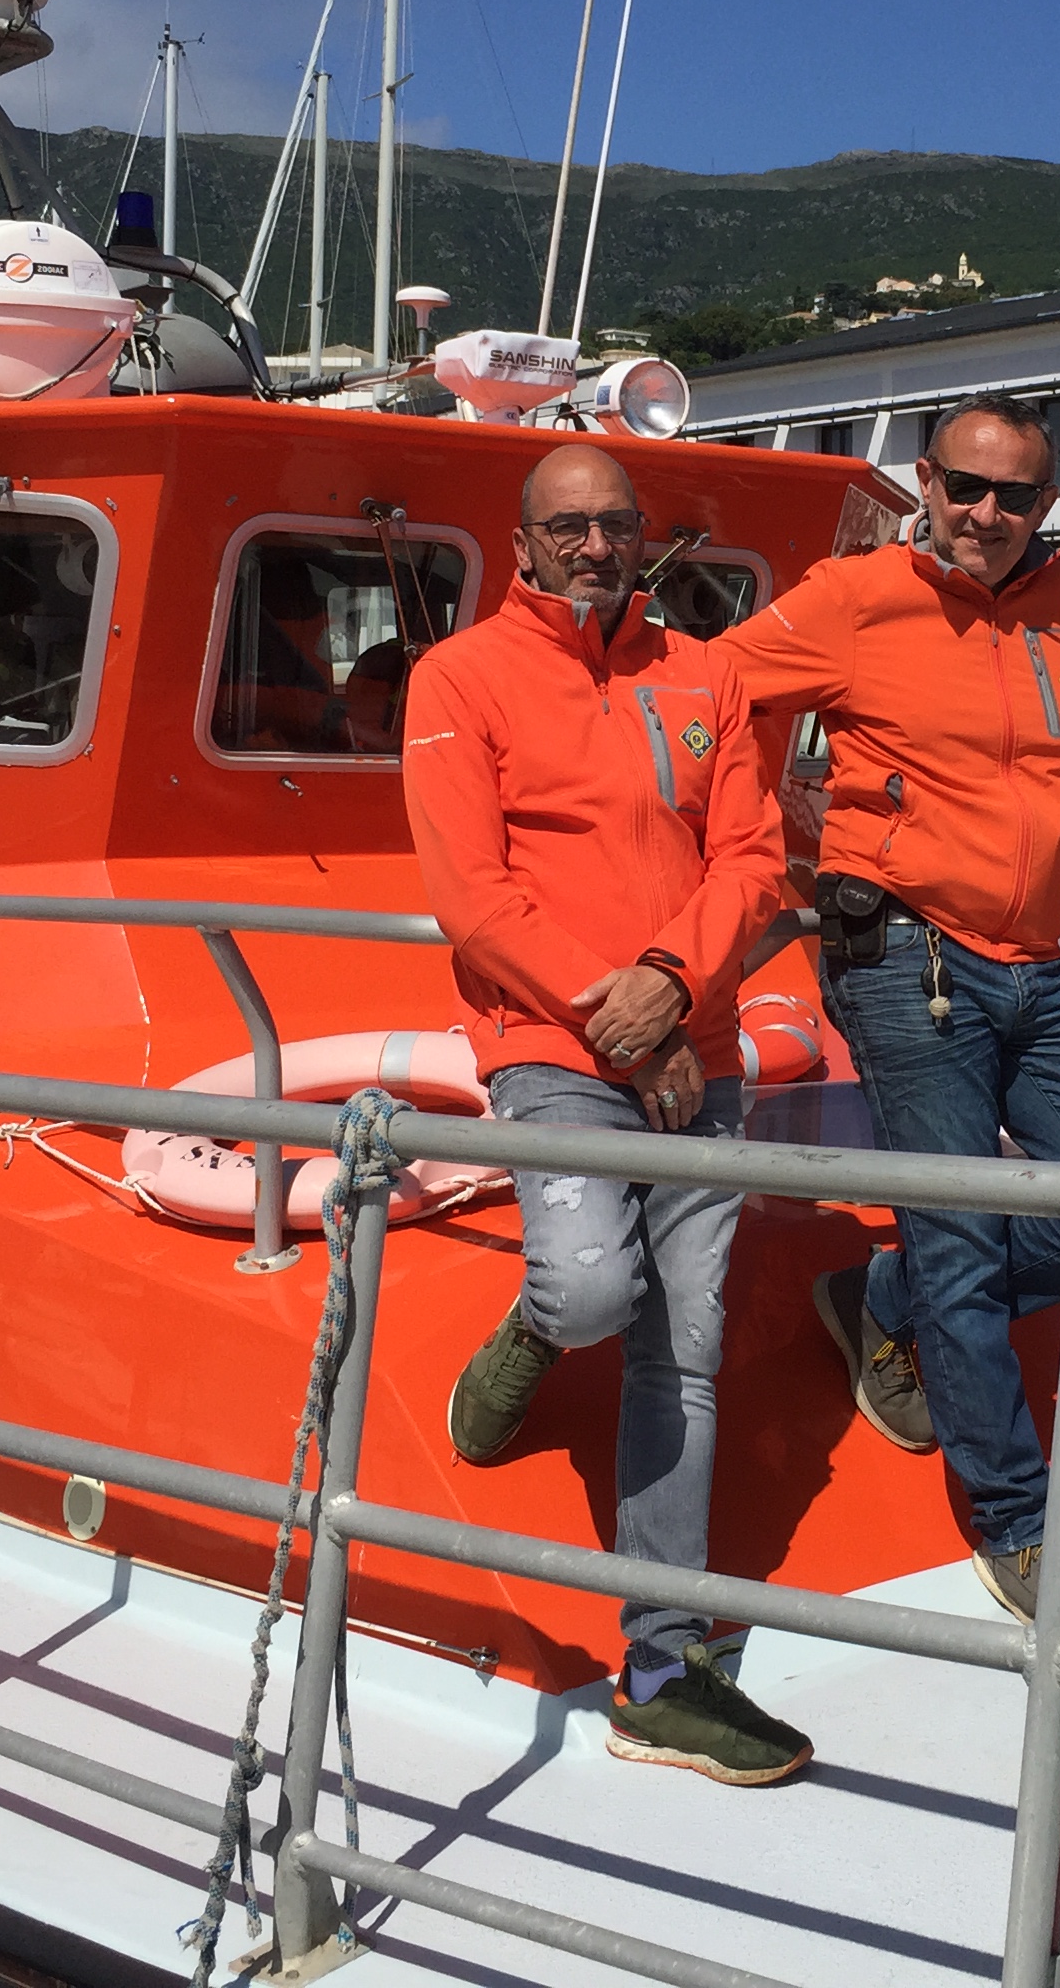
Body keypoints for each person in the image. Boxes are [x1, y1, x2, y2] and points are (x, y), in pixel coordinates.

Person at [725, 395, 1060, 1640]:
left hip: (1035, 962)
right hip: (904, 958)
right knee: (968, 1235)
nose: (985, 515)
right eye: (965, 488)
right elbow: (720, 700)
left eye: (1015, 496)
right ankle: (1015, 1523)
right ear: (925, 480)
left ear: (1049, 505)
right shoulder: (851, 597)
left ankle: (891, 1292)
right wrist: (763, 850)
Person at [399, 444, 810, 1785]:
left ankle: (662, 1664)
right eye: (566, 527)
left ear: (643, 540)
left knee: (680, 1353)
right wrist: (613, 1018)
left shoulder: (704, 673)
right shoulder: (458, 680)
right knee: (587, 1292)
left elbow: (753, 859)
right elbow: (472, 892)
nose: (593, 546)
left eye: (614, 525)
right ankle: (526, 1335)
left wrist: (678, 985)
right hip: (554, 1041)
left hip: (693, 1040)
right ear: (521, 545)